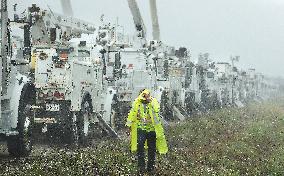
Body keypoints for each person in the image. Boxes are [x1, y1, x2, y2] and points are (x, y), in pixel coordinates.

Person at [126, 89, 168, 174]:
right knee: (140, 146)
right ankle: (141, 167)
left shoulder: (153, 101)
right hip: (141, 129)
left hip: (152, 130)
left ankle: (150, 168)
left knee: (151, 149)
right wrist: (128, 126)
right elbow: (131, 114)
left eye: (146, 95)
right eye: (143, 95)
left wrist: (150, 101)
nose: (144, 98)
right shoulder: (137, 102)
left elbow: (157, 109)